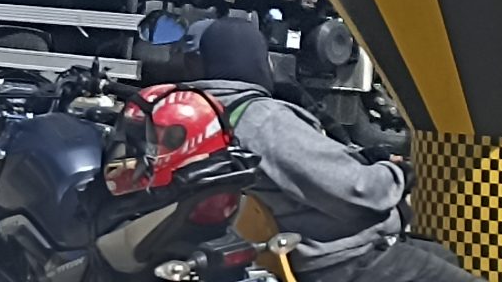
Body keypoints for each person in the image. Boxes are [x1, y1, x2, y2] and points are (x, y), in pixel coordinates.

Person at [184, 16, 478, 282]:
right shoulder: (262, 119)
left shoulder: (202, 117)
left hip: (279, 252)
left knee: (443, 257)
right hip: (342, 260)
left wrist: (362, 159)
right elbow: (359, 192)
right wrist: (397, 174)